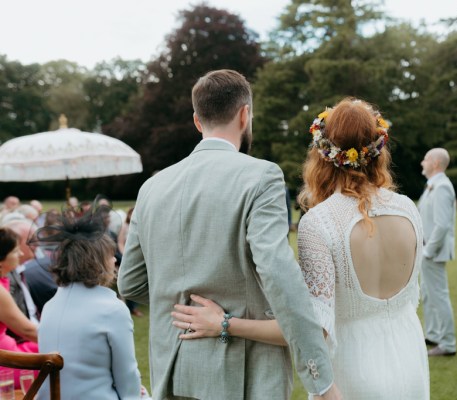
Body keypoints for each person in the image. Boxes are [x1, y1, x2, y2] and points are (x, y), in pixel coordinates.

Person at [172, 98, 430, 399]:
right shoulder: (408, 209)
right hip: (410, 361)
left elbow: (312, 330)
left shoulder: (319, 223)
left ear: (322, 153)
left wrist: (225, 323)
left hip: (352, 372)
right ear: (378, 149)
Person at [118, 69, 340, 400]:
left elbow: (130, 283)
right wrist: (321, 381)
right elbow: (279, 274)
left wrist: (180, 296)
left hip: (173, 369)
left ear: (197, 121)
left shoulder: (152, 187)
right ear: (244, 114)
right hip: (244, 375)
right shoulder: (261, 176)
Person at [33, 207, 146, 400]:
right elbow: (127, 380)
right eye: (110, 255)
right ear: (97, 262)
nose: (114, 260)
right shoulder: (112, 309)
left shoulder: (50, 305)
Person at [418, 148, 457, 357]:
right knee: (427, 293)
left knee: (439, 296)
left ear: (434, 163)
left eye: (425, 159)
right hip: (427, 250)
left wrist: (427, 251)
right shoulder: (433, 185)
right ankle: (432, 334)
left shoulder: (442, 187)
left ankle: (448, 343)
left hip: (433, 252)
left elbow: (442, 225)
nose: (421, 163)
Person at [0, 227, 38, 388]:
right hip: (5, 361)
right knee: (63, 361)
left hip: (7, 350)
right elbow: (27, 331)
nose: (21, 254)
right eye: (16, 251)